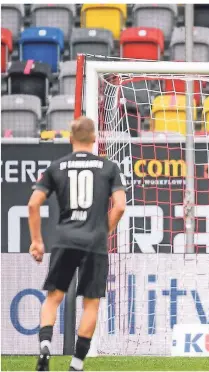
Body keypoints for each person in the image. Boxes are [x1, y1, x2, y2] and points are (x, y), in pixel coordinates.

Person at [28, 117, 127, 371]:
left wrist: (37, 241)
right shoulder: (108, 167)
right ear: (95, 140)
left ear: (71, 139)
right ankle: (76, 363)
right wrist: (103, 231)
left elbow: (33, 204)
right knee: (91, 303)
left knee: (54, 298)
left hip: (65, 239)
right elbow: (120, 206)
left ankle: (45, 346)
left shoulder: (57, 167)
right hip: (94, 241)